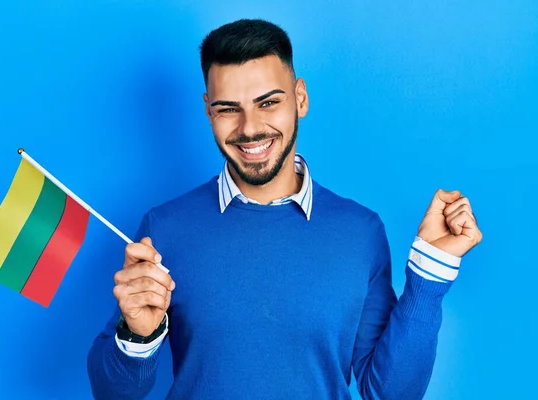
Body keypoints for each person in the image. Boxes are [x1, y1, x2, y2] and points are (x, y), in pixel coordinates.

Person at [87, 18, 482, 400]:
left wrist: (430, 275)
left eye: (268, 102)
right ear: (209, 111)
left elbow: (392, 393)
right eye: (228, 109)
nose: (250, 128)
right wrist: (137, 335)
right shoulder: (164, 227)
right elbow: (113, 393)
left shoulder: (360, 232)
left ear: (300, 99)